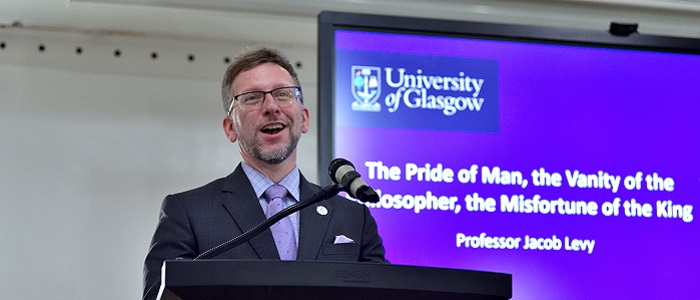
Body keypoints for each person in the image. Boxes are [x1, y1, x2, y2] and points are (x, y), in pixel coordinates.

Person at [142, 46, 388, 300]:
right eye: (252, 97)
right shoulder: (188, 212)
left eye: (283, 94)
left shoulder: (353, 218)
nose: (271, 106)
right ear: (230, 128)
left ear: (304, 118)